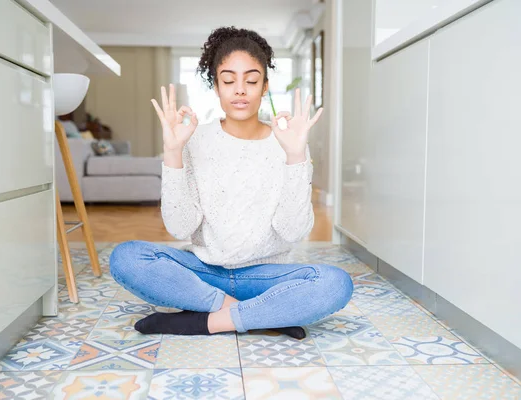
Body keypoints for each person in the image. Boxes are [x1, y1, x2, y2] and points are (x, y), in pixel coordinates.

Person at [109, 26, 353, 339]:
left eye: (251, 80)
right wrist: (173, 150)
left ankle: (202, 322)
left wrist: (295, 155)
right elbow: (180, 228)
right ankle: (259, 314)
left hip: (265, 276)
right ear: (216, 86)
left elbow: (294, 231)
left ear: (264, 86)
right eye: (228, 80)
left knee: (335, 284)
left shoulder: (287, 142)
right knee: (126, 257)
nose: (240, 90)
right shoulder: (195, 140)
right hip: (205, 272)